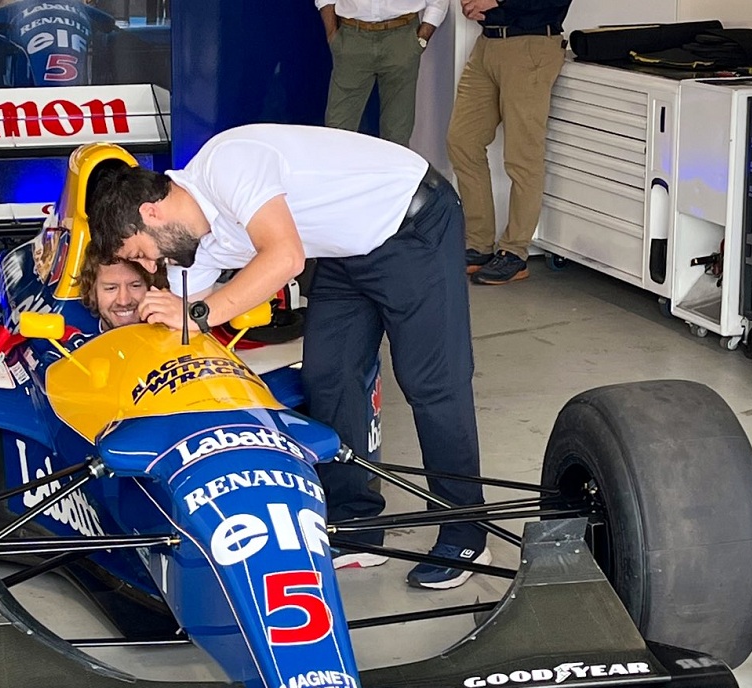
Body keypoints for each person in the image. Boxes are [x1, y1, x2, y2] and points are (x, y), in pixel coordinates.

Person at [89, 124, 490, 590]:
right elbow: (179, 335)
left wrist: (200, 311)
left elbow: (284, 257)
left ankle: (466, 532)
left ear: (151, 212)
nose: (153, 266)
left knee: (432, 383)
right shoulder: (188, 249)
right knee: (328, 377)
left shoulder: (228, 162)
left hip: (412, 225)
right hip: (343, 249)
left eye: (144, 252)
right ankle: (354, 526)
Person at [446, 0, 572, 285]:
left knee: (522, 155)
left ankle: (515, 252)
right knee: (462, 141)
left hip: (531, 45)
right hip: (488, 44)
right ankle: (478, 244)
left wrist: (493, 1)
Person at [317, 1, 449, 147]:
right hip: (352, 37)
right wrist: (332, 34)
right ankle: (337, 169)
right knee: (337, 129)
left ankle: (395, 169)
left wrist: (422, 38)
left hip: (401, 37)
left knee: (397, 133)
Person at [77, 250, 167, 329]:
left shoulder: (173, 340)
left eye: (135, 286)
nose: (124, 301)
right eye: (111, 288)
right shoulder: (77, 347)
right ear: (92, 292)